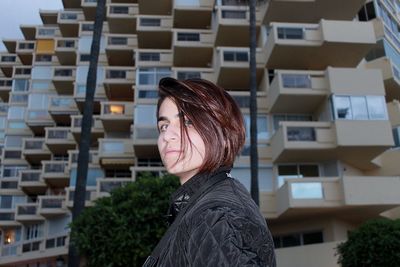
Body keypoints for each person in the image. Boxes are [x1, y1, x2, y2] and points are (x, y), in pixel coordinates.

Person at [143, 77, 276, 267]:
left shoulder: (215, 215)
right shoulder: (200, 207)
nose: (167, 135)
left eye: (188, 122)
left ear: (223, 135)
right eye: (163, 126)